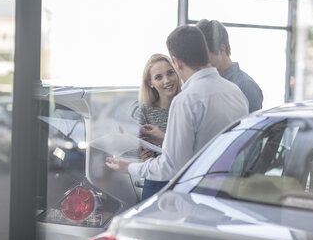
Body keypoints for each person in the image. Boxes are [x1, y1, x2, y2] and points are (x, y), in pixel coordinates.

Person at [106, 26, 249, 193]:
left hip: (196, 196)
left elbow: (171, 167)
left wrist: (129, 167)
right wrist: (163, 139)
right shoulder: (236, 92)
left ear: (177, 63)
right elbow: (204, 148)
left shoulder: (185, 101)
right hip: (230, 194)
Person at [137, 53, 182, 200]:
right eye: (158, 77)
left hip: (185, 180)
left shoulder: (187, 105)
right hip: (156, 181)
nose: (167, 80)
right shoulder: (145, 111)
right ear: (150, 83)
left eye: (170, 73)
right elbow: (139, 152)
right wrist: (143, 158)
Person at [196, 19, 263, 113]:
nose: (201, 62)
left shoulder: (246, 86)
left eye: (205, 55)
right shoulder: (207, 84)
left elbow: (252, 126)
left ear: (221, 49)